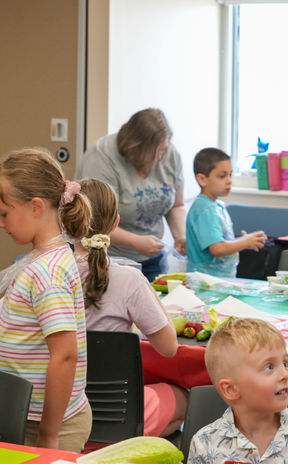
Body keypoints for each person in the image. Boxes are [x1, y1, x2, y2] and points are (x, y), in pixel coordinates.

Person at [0, 147, 92, 453]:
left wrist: (49, 435)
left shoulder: (48, 273)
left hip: (52, 425)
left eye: (4, 213)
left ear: (36, 206)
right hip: (29, 415)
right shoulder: (39, 260)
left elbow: (64, 356)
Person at [75, 178, 188, 437]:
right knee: (182, 396)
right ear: (115, 224)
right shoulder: (129, 279)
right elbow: (169, 348)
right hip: (116, 413)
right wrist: (148, 291)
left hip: (58, 409)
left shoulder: (44, 271)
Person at [75, 108, 186, 281]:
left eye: (163, 150)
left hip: (153, 260)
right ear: (135, 147)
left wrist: (180, 236)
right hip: (106, 258)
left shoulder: (170, 154)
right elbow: (94, 222)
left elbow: (176, 205)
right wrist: (135, 242)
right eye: (155, 152)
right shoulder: (101, 157)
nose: (160, 157)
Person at [187, 318, 288, 463]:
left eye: (285, 363)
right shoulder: (204, 444)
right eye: (268, 367)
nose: (285, 374)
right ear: (231, 389)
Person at [186, 148, 267, 277]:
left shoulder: (216, 206)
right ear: (202, 179)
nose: (229, 181)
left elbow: (222, 242)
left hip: (218, 280)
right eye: (222, 176)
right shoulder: (205, 210)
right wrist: (245, 241)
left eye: (230, 175)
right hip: (205, 282)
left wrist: (243, 242)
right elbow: (217, 249)